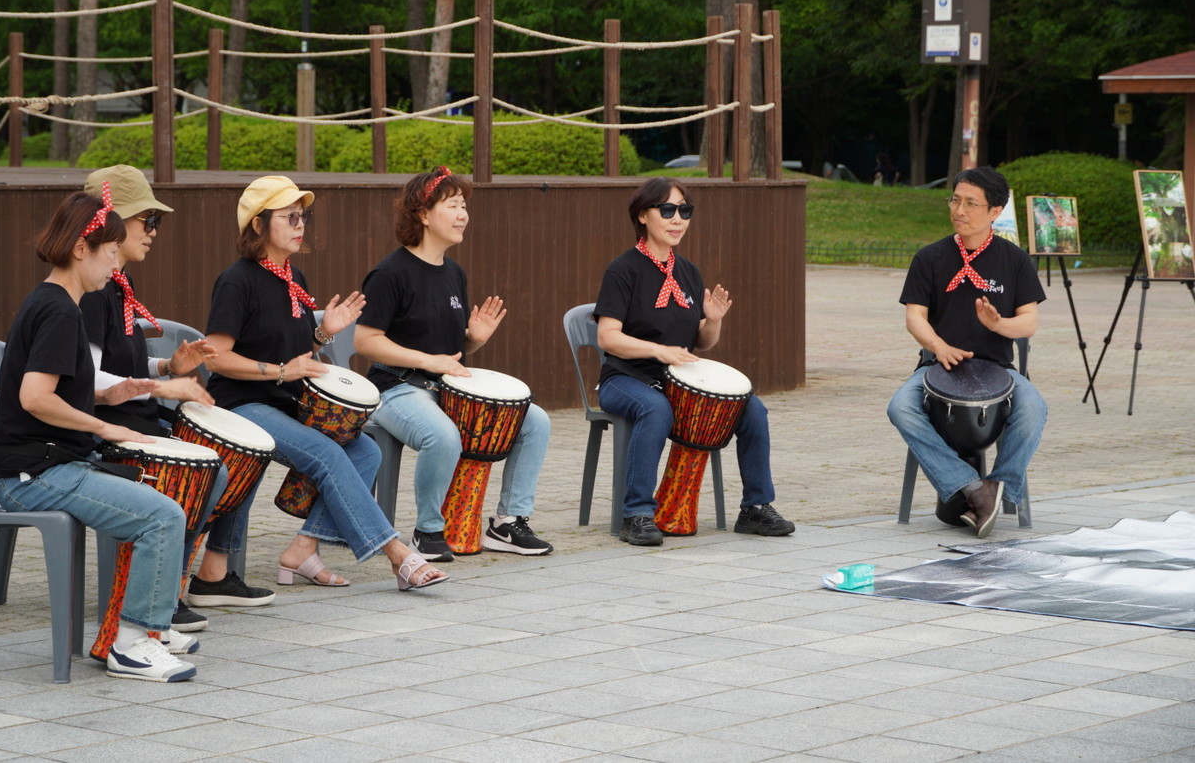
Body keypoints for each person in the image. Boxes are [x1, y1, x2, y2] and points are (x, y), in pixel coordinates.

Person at [0, 189, 197, 682]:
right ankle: (130, 645)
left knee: (159, 501)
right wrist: (106, 426)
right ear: (82, 248)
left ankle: (148, 629)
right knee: (163, 516)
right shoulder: (61, 310)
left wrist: (114, 395)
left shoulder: (55, 301)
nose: (113, 263)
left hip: (44, 464)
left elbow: (65, 388)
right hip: (33, 473)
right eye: (109, 251)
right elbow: (35, 397)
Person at [203, 175, 447, 590]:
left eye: (304, 216)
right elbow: (216, 357)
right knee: (328, 454)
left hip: (283, 402)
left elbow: (295, 354)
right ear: (258, 225)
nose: (301, 225)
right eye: (290, 217)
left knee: (365, 451)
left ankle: (302, 550)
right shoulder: (237, 280)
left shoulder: (294, 277)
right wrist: (280, 373)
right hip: (241, 405)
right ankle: (397, 554)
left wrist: (322, 335)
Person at [80, 165, 270, 634]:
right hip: (109, 436)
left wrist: (167, 367)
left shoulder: (117, 287)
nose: (153, 232)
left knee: (237, 455)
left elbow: (119, 368)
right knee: (215, 467)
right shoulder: (91, 292)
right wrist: (168, 388)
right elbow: (88, 379)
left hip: (138, 421)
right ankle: (164, 589)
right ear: (113, 223)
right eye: (148, 221)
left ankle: (192, 579)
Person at [354, 167, 553, 562]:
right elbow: (366, 341)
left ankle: (507, 522)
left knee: (536, 421)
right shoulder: (390, 273)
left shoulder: (453, 273)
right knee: (443, 436)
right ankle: (427, 532)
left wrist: (473, 340)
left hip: (442, 388)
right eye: (453, 205)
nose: (463, 214)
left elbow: (449, 353)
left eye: (464, 206)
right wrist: (429, 360)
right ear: (423, 214)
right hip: (395, 389)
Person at [593, 177, 795, 546]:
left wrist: (713, 320)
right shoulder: (623, 269)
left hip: (677, 378)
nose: (677, 219)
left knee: (752, 409)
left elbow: (702, 341)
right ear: (642, 215)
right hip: (626, 378)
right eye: (667, 210)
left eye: (684, 211)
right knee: (655, 410)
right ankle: (637, 513)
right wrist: (658, 351)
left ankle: (756, 508)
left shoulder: (687, 270)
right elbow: (608, 337)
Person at [886, 166, 1047, 537]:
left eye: (971, 203)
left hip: (997, 369)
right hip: (937, 365)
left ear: (995, 212)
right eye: (955, 200)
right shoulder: (930, 258)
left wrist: (998, 326)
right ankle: (971, 488)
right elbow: (915, 318)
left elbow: (1029, 323)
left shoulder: (1015, 260)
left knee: (1035, 407)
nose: (959, 210)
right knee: (900, 407)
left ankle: (998, 485)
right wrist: (938, 346)